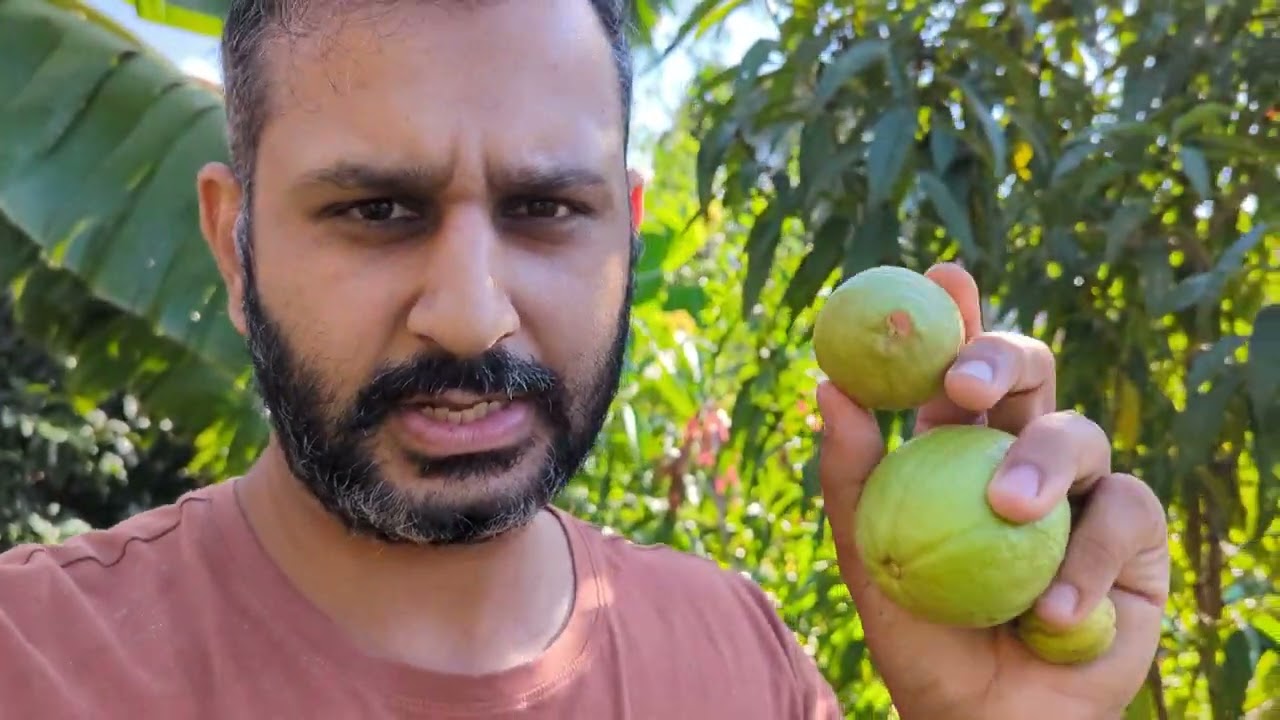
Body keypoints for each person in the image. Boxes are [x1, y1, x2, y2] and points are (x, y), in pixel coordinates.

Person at [0, 0, 1171, 716]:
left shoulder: (739, 662)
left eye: (547, 209)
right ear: (233, 242)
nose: (468, 317)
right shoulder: (35, 669)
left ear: (627, 228)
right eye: (375, 211)